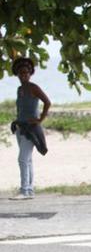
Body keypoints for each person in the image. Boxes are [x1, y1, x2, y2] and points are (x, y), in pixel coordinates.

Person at [10, 57, 50, 201]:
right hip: (20, 128)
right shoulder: (20, 89)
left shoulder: (34, 88)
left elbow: (47, 102)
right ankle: (30, 189)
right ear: (17, 74)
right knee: (27, 160)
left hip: (30, 129)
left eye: (26, 73)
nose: (24, 75)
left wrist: (40, 119)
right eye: (21, 73)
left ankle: (24, 190)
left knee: (22, 159)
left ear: (30, 73)